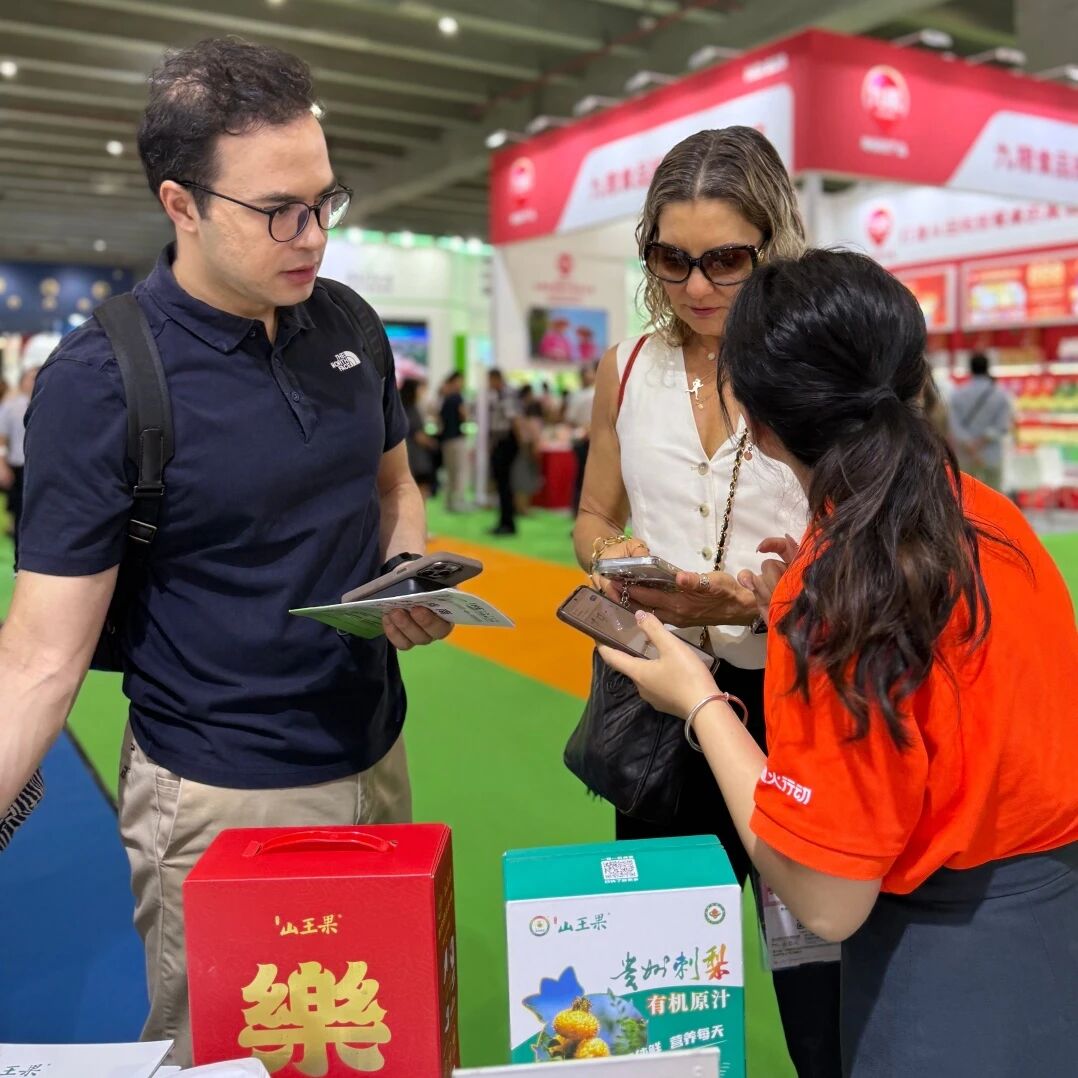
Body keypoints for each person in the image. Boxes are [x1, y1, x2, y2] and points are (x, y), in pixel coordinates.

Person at [0, 38, 452, 1066]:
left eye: (325, 202)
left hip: (375, 751)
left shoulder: (347, 324)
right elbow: (36, 658)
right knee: (232, 1055)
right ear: (182, 204)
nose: (313, 236)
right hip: (216, 789)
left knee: (375, 1041)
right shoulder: (104, 380)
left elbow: (394, 486)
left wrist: (404, 569)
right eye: (279, 210)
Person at [603, 250, 1078, 1076]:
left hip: (943, 987)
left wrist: (701, 702)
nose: (698, 283)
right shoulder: (988, 516)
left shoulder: (841, 588)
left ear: (756, 420)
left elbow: (826, 901)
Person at [571, 126, 839, 1076]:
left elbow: (885, 545)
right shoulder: (627, 367)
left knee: (820, 984)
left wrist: (762, 599)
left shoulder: (821, 371)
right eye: (671, 259)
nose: (695, 286)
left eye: (725, 259)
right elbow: (593, 514)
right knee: (658, 990)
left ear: (776, 244)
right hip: (662, 697)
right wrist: (618, 558)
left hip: (805, 703)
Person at [948, 352, 1013, 491]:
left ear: (970, 369)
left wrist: (970, 444)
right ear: (987, 368)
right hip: (991, 455)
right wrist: (982, 441)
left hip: (966, 456)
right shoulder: (1000, 395)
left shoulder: (957, 395)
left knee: (966, 496)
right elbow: (1002, 426)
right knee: (994, 496)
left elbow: (954, 426)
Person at [0, 363, 39, 565]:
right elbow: (1, 438)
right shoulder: (11, 406)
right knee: (20, 513)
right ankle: (20, 561)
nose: (34, 382)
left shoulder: (49, 405)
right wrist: (2, 465)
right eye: (31, 377)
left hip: (42, 469)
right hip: (19, 468)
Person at [487, 367, 518, 535]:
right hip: (500, 441)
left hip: (505, 440)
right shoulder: (498, 395)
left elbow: (514, 419)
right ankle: (504, 520)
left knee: (504, 483)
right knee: (501, 483)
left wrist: (519, 442)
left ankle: (507, 523)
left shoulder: (506, 395)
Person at [564, 364, 597, 515]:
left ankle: (583, 509)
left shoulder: (586, 394)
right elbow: (570, 419)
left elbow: (570, 419)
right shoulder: (579, 395)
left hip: (589, 437)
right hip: (584, 439)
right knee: (584, 475)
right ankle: (581, 508)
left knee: (585, 475)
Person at [401, 377, 438, 497]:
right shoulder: (411, 410)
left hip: (408, 454)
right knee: (420, 490)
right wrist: (432, 443)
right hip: (415, 456)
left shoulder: (402, 408)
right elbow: (417, 434)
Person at [438, 371, 469, 511]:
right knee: (459, 470)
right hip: (456, 438)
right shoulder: (457, 397)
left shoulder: (445, 398)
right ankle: (458, 501)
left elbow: (439, 418)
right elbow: (464, 415)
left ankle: (449, 502)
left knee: (450, 472)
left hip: (446, 439)